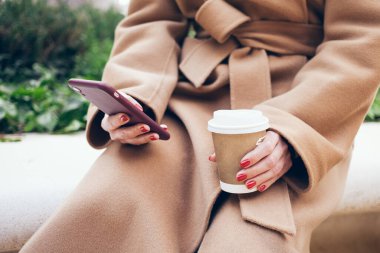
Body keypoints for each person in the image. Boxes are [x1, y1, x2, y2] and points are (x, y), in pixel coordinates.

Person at [20, 0, 380, 252]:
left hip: (304, 100)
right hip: (192, 94)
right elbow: (151, 20)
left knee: (251, 239)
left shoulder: (300, 121)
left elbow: (362, 38)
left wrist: (296, 130)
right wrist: (135, 97)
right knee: (108, 209)